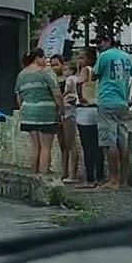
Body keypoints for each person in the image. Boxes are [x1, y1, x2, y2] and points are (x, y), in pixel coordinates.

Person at [92, 33, 132, 190]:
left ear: (108, 41)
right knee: (123, 142)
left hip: (107, 101)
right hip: (122, 103)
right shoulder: (126, 56)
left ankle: (113, 179)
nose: (98, 46)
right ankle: (123, 180)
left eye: (99, 42)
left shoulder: (104, 56)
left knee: (110, 142)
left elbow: (94, 75)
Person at [15, 48, 62, 175]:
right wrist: (61, 110)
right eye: (43, 57)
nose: (45, 61)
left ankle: (33, 176)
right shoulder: (46, 72)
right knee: (46, 147)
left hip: (28, 113)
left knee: (35, 147)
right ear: (37, 58)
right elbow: (57, 94)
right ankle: (43, 177)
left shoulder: (21, 75)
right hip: (46, 113)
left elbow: (19, 98)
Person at [74, 47, 105, 187]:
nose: (79, 60)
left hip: (85, 110)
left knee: (87, 146)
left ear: (90, 59)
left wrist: (80, 97)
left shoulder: (85, 70)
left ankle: (90, 178)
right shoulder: (96, 71)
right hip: (96, 107)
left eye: (82, 57)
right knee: (98, 145)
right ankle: (100, 176)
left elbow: (79, 83)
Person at [58, 56, 81, 184]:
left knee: (70, 143)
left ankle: (72, 173)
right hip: (70, 110)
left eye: (66, 69)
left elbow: (66, 92)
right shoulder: (76, 79)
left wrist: (60, 98)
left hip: (68, 110)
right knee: (67, 144)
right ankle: (66, 172)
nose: (64, 71)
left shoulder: (70, 79)